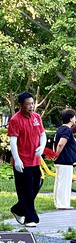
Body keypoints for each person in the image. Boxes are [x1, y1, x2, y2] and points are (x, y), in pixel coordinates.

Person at [7, 92, 46, 227]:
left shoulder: (36, 117)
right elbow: (12, 141)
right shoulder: (15, 120)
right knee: (26, 189)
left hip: (35, 160)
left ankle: (18, 209)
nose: (31, 106)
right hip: (22, 161)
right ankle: (30, 218)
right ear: (20, 105)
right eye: (28, 104)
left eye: (32, 103)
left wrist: (42, 146)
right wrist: (17, 159)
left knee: (37, 184)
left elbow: (42, 134)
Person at [52, 108, 76, 210]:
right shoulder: (67, 130)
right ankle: (63, 204)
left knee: (59, 182)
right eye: (74, 117)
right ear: (71, 118)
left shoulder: (60, 129)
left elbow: (55, 144)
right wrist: (57, 154)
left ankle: (58, 202)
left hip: (59, 161)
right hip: (65, 161)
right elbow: (61, 143)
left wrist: (54, 155)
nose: (75, 119)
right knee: (64, 183)